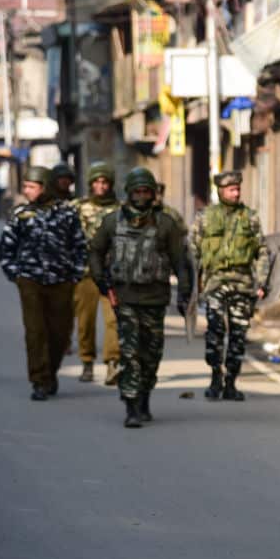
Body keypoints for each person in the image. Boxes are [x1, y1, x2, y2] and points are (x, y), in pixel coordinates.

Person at [88, 167, 191, 428]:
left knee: (152, 354)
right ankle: (131, 404)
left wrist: (185, 295)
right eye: (138, 191)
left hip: (156, 299)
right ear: (129, 193)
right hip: (125, 298)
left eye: (147, 191)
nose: (142, 196)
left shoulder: (166, 224)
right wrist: (101, 280)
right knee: (130, 353)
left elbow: (181, 262)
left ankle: (144, 396)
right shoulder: (112, 221)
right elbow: (96, 252)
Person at [0, 166, 87, 401]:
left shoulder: (67, 213)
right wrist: (15, 273)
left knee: (59, 333)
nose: (27, 191)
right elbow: (6, 247)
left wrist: (76, 273)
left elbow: (80, 246)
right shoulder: (20, 214)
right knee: (35, 332)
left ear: (44, 187)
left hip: (61, 280)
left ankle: (51, 372)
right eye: (25, 186)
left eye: (32, 187)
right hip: (30, 281)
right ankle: (39, 380)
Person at [188, 171, 269, 401]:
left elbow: (262, 251)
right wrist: (192, 284)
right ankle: (215, 377)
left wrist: (262, 281)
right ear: (220, 191)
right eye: (231, 189)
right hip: (214, 283)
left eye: (238, 189)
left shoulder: (250, 217)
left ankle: (231, 382)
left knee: (238, 335)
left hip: (242, 285)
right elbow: (192, 251)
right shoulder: (204, 217)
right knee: (215, 331)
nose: (236, 193)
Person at [71, 162, 121, 385]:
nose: (101, 186)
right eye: (97, 182)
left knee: (114, 320)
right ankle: (87, 362)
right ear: (91, 184)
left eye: (105, 182)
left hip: (112, 274)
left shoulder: (121, 210)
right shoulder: (78, 208)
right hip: (86, 273)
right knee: (85, 320)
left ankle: (112, 363)